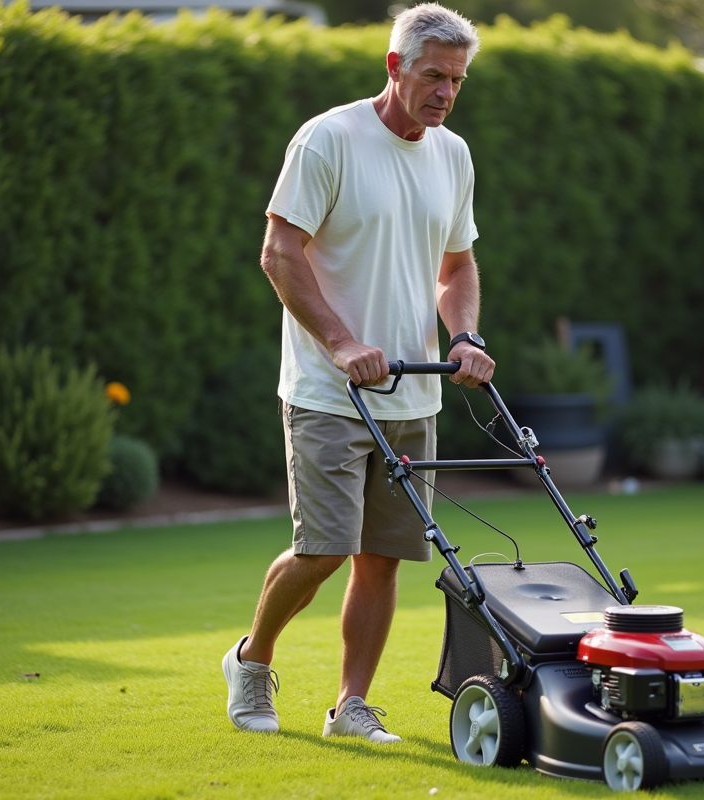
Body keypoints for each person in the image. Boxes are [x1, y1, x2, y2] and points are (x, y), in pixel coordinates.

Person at [222, 2, 494, 744]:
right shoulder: (329, 139)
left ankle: (352, 706)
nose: (444, 92)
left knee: (383, 559)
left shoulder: (453, 154)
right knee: (324, 549)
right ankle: (251, 660)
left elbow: (457, 264)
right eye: (433, 76)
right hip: (328, 391)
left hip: (414, 391)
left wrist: (464, 334)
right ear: (394, 66)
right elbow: (280, 253)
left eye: (458, 81)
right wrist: (342, 343)